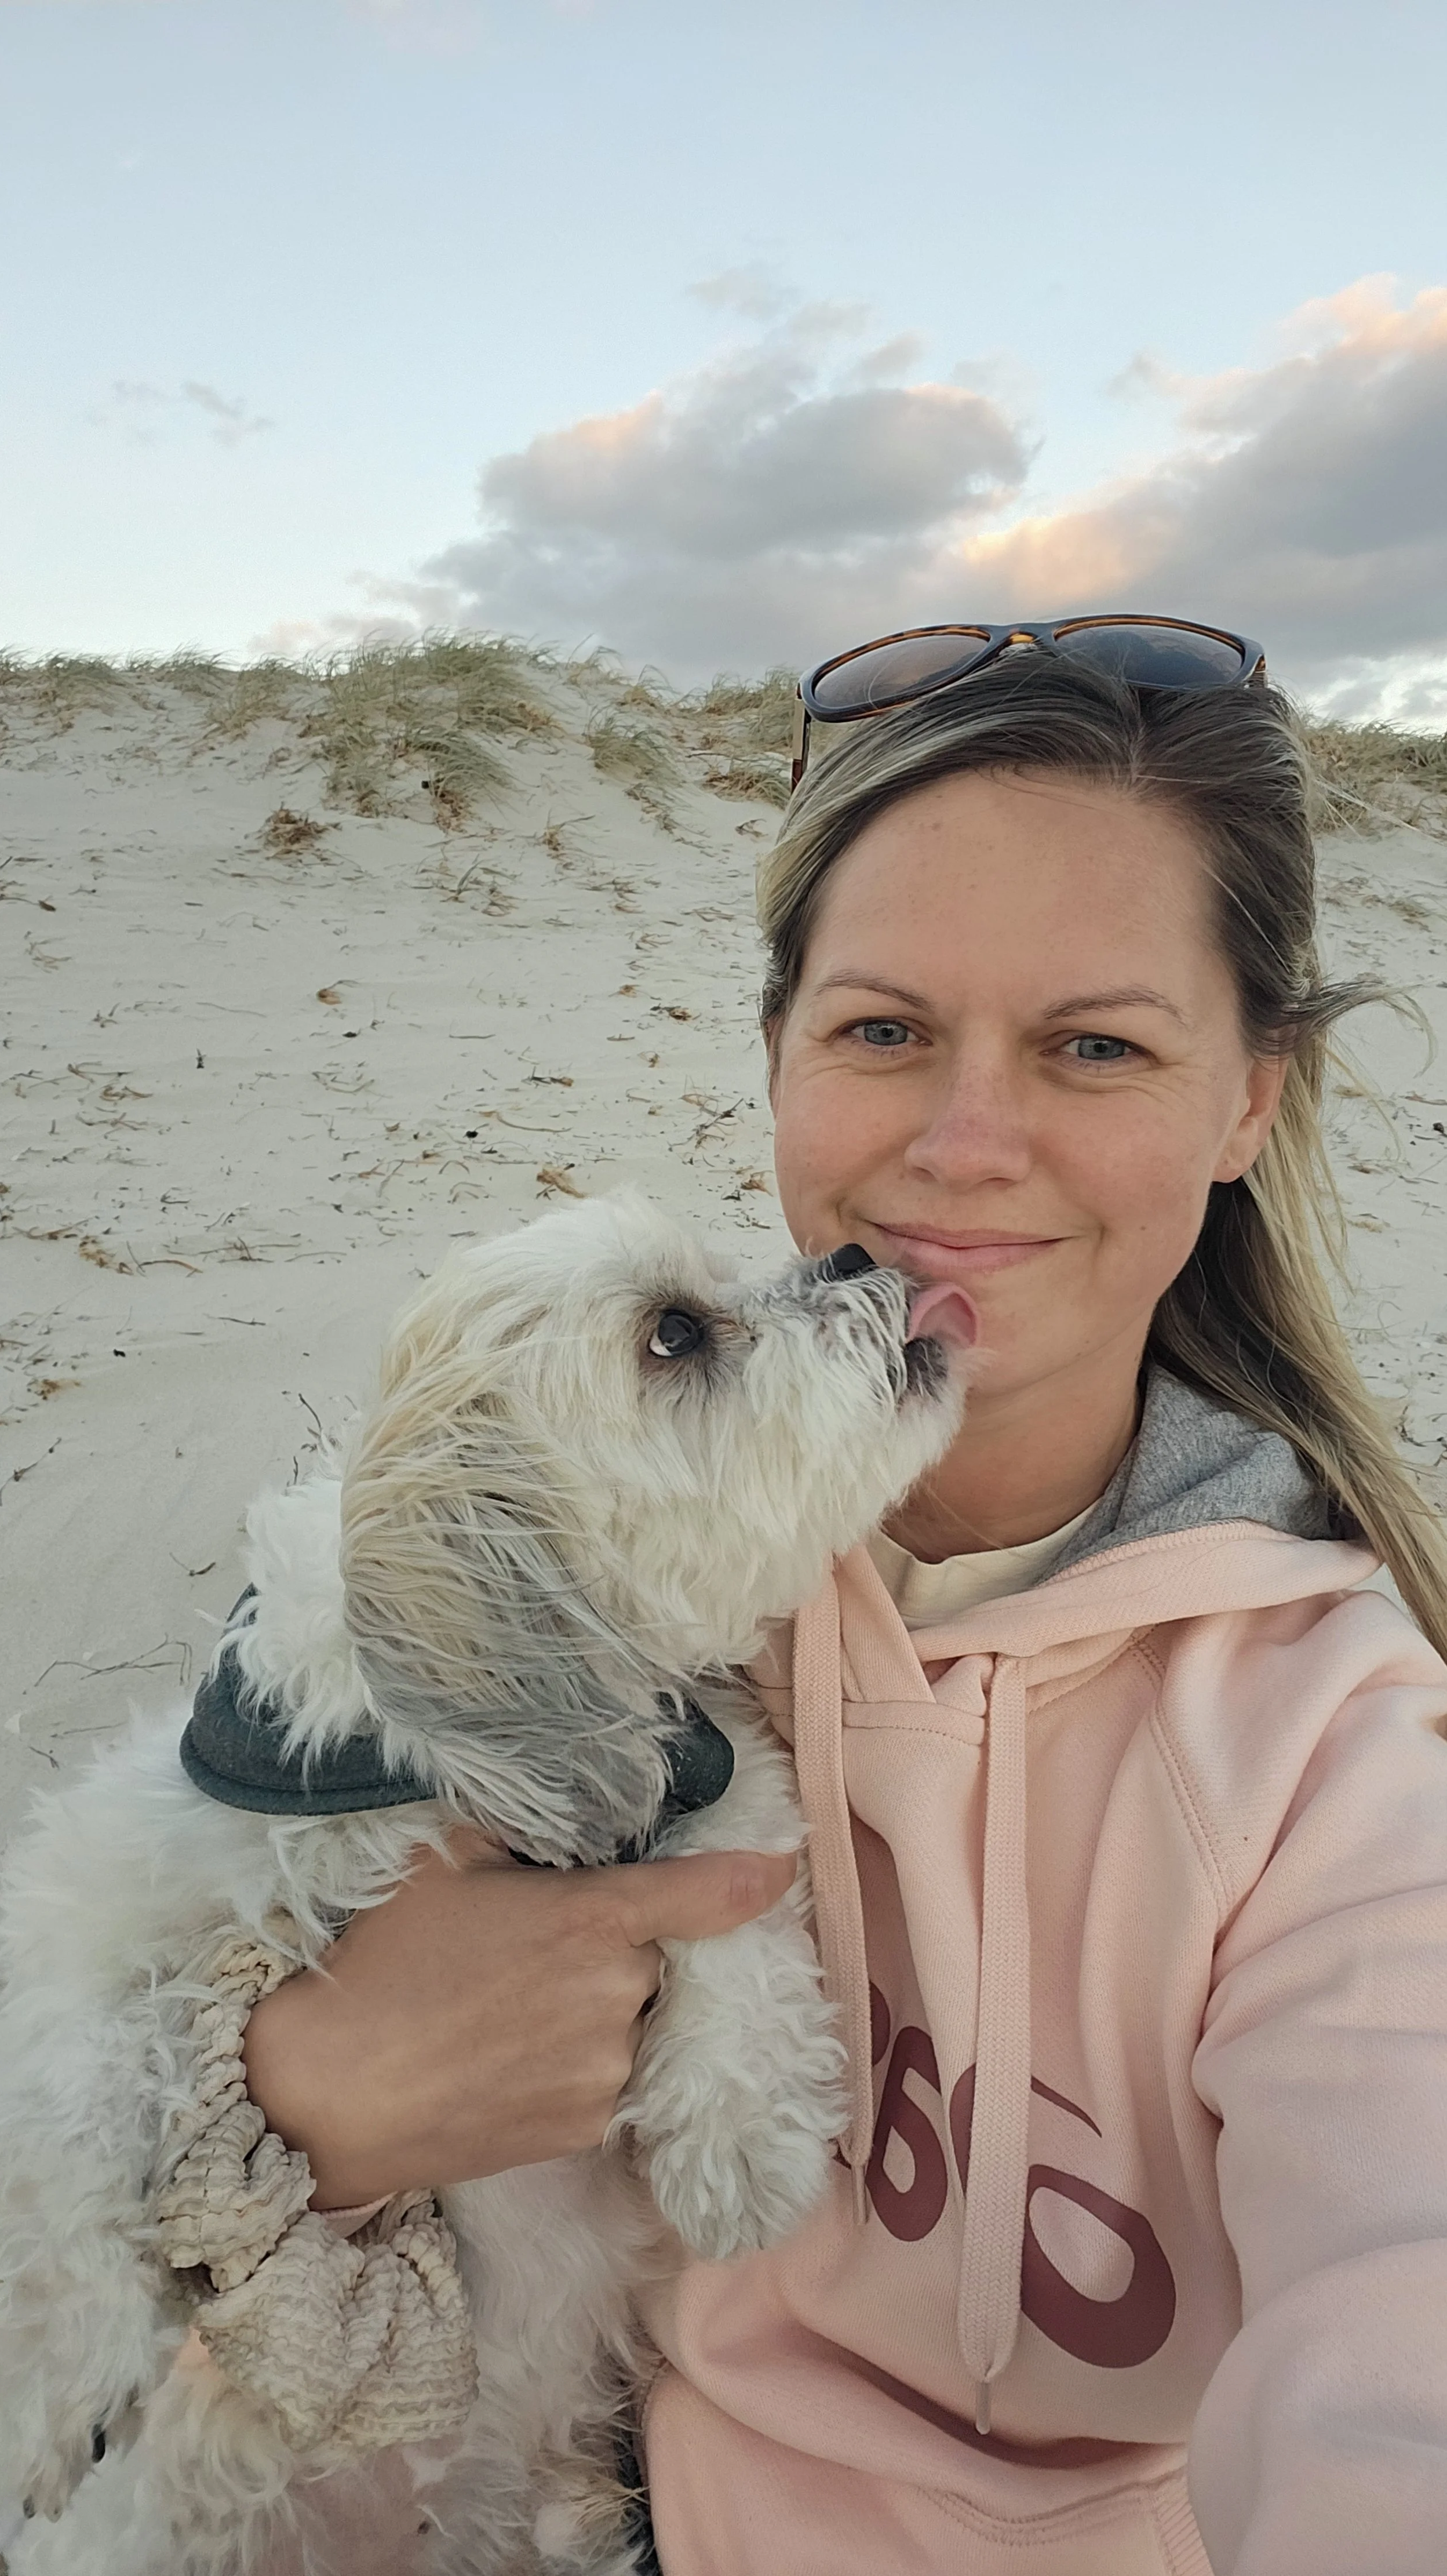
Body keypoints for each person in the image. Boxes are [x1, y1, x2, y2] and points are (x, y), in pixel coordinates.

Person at [240, 623, 1447, 2573]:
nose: (961, 1146)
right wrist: (304, 2094)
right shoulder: (591, 1521)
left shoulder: (1336, 1755)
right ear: (781, 1049)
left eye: (1096, 1045)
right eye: (883, 1028)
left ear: (1249, 1103)